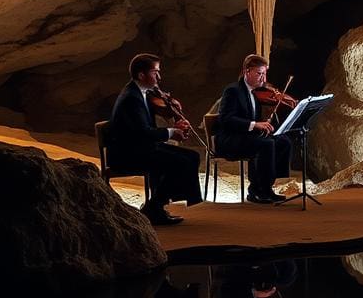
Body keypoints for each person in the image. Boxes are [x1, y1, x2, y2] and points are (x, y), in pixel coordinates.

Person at [109, 53, 202, 225]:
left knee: (192, 157)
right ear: (141, 75)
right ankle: (154, 206)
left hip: (142, 147)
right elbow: (142, 132)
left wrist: (172, 127)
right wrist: (171, 132)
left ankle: (157, 205)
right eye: (155, 73)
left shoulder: (142, 92)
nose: (159, 77)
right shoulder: (131, 98)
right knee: (180, 163)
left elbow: (146, 131)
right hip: (129, 153)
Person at [216, 54, 292, 204]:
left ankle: (263, 186)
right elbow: (226, 119)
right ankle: (261, 190)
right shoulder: (232, 91)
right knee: (266, 144)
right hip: (230, 139)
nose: (263, 79)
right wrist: (254, 124)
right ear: (247, 71)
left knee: (283, 141)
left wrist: (263, 125)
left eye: (264, 73)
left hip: (247, 136)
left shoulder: (255, 92)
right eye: (259, 73)